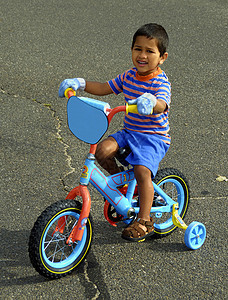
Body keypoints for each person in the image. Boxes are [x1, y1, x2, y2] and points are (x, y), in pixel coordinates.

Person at [58, 23, 171, 242]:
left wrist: (151, 101)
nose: (142, 55)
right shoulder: (129, 76)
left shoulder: (160, 81)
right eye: (138, 49)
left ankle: (145, 220)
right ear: (131, 50)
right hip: (130, 131)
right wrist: (79, 83)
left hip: (153, 137)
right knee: (101, 151)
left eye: (150, 51)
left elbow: (162, 104)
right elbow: (104, 87)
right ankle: (121, 186)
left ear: (162, 57)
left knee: (141, 170)